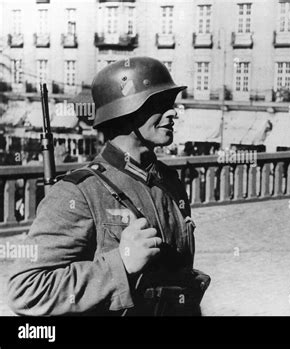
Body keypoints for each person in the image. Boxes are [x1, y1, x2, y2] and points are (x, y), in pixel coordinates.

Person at [8, 57, 209, 316]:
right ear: (125, 110)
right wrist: (120, 264)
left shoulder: (168, 182)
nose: (173, 112)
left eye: (171, 103)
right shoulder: (79, 192)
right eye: (160, 104)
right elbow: (26, 291)